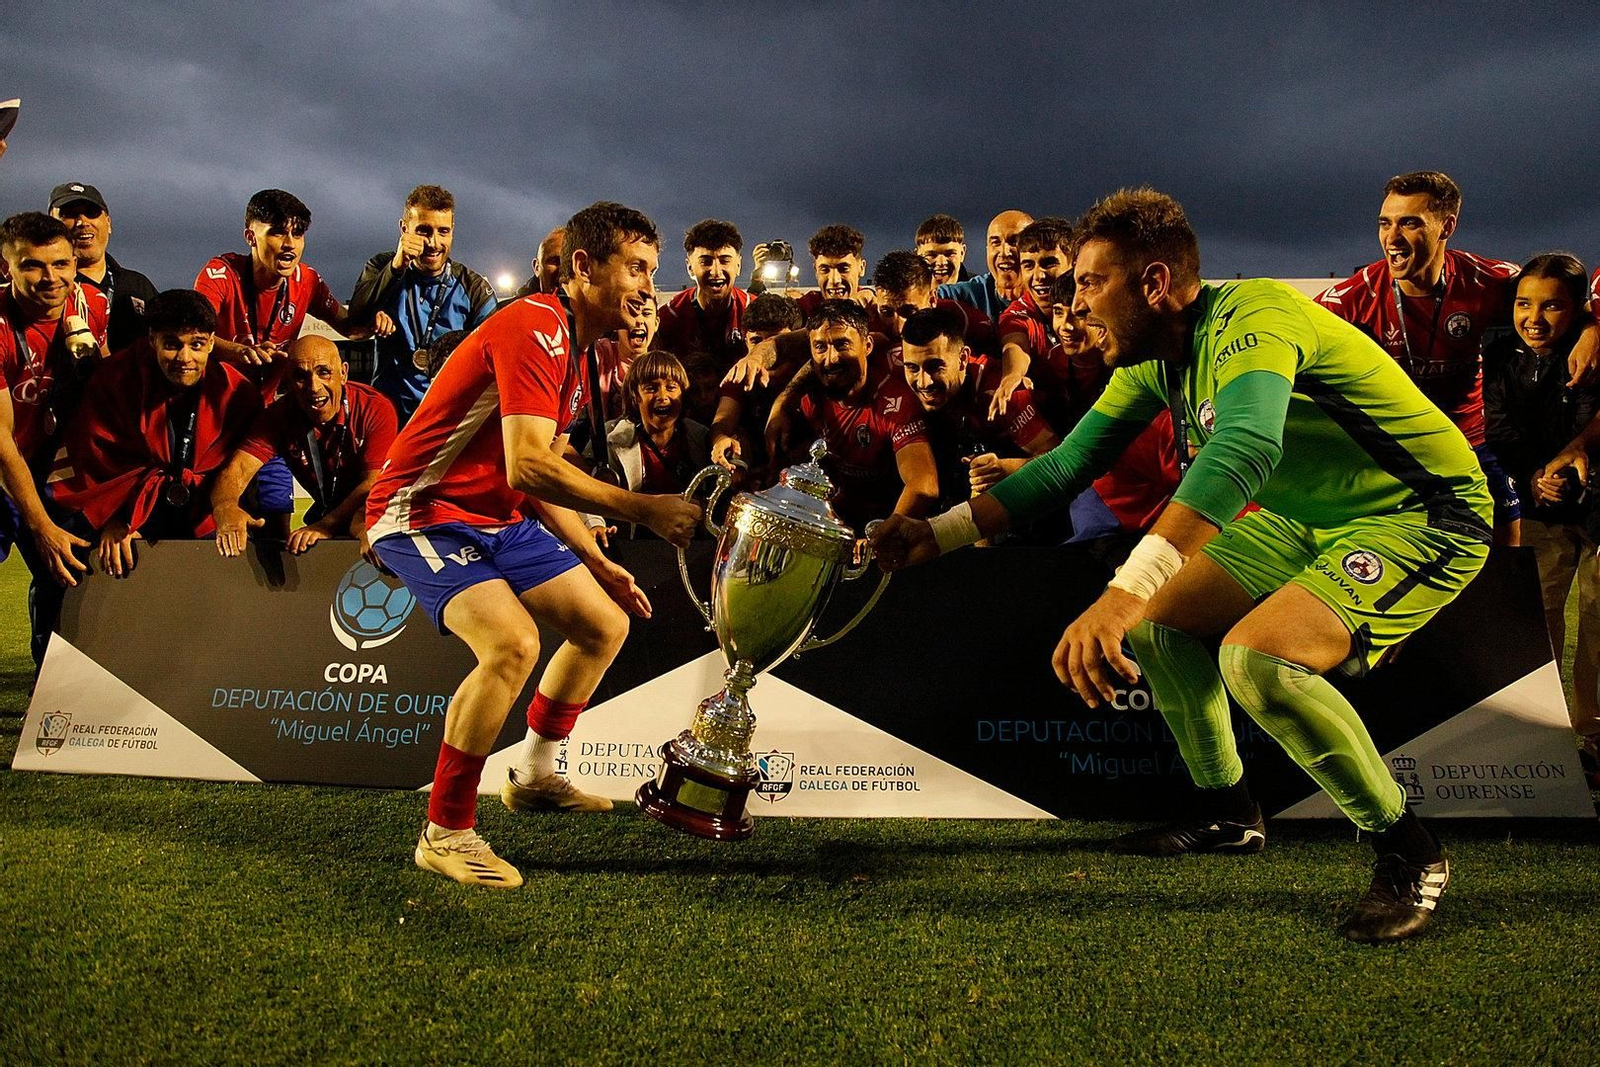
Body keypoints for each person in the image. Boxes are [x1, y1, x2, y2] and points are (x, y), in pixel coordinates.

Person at [872, 188, 1492, 943]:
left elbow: (1246, 450)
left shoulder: (1256, 318)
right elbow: (1066, 464)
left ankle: (1409, 851)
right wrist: (933, 535)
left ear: (1155, 283)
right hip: (1310, 518)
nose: (1076, 303)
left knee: (1255, 659)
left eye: (1092, 283)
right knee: (1164, 623)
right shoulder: (1151, 360)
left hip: (1425, 513)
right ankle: (1228, 811)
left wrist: (1119, 593)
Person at [364, 201, 702, 889]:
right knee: (512, 644)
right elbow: (530, 466)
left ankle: (536, 773)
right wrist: (645, 508)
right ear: (583, 267)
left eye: (652, 271)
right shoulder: (536, 326)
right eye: (636, 268)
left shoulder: (578, 351)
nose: (646, 285)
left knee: (601, 621)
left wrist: (598, 561)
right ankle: (447, 829)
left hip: (495, 513)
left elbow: (534, 477)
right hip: (422, 511)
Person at [1317, 171, 1599, 546]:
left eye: (1410, 223)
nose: (1392, 238)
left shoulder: (1492, 281)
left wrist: (1592, 328)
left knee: (1505, 566)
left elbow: (1551, 300)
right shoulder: (1351, 299)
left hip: (1469, 443)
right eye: (1385, 223)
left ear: (1447, 225)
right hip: (1394, 446)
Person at [50, 289, 259, 578]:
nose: (184, 358)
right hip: (129, 509)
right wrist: (114, 519)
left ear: (212, 343)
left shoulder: (236, 393)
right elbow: (93, 459)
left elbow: (246, 464)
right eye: (171, 344)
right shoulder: (115, 381)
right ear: (152, 340)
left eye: (197, 345)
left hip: (204, 511)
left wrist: (228, 507)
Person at [193, 189, 362, 541]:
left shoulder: (307, 281)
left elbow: (349, 326)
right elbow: (195, 334)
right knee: (211, 530)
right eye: (276, 232)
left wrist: (378, 315)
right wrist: (237, 352)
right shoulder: (220, 272)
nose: (289, 244)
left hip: (265, 425)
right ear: (250, 236)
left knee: (277, 534)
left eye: (297, 234)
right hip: (214, 426)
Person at [1484, 254, 1600, 758]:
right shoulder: (1498, 352)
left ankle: (1592, 738)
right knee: (1539, 625)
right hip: (1538, 508)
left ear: (1578, 308)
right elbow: (1498, 426)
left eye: (1552, 305)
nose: (1534, 317)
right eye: (1524, 302)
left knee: (1597, 626)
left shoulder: (1593, 348)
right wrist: (1534, 478)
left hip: (1597, 508)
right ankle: (1543, 738)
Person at [0, 212, 109, 671]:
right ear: (7, 268)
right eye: (33, 266)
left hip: (52, 463)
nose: (51, 278)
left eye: (61, 265)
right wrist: (40, 525)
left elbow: (108, 395)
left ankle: (48, 693)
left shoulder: (92, 305)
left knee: (66, 573)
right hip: (5, 461)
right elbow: (1, 443)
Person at [210, 336, 398, 562]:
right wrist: (225, 507)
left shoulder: (375, 408)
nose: (314, 387)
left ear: (344, 373)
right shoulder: (278, 415)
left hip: (373, 513)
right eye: (300, 376)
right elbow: (237, 469)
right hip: (325, 516)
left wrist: (326, 525)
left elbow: (373, 485)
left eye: (324, 372)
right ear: (288, 380)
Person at [763, 299, 938, 532]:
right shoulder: (809, 396)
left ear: (867, 346)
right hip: (833, 520)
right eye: (820, 347)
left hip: (881, 522)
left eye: (842, 344)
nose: (831, 358)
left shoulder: (895, 402)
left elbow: (923, 486)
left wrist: (882, 535)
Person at [348, 185, 497, 424]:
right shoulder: (382, 267)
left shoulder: (475, 288)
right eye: (424, 231)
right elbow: (354, 320)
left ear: (452, 231)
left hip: (446, 419)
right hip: (388, 415)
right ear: (404, 229)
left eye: (443, 231)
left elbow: (494, 362)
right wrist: (396, 267)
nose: (434, 242)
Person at [896, 306, 1057, 511]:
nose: (923, 381)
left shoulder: (1002, 394)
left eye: (935, 366)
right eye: (912, 368)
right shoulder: (894, 370)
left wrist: (1006, 469)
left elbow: (1058, 460)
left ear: (963, 358)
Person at [585, 350, 712, 543]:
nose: (663, 396)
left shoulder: (701, 437)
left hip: (689, 545)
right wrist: (594, 524)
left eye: (671, 387)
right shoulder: (607, 437)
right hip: (634, 549)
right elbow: (584, 487)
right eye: (651, 388)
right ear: (635, 395)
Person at [48, 182, 159, 355]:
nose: (82, 222)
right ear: (49, 225)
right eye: (69, 214)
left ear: (108, 223)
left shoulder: (137, 285)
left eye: (91, 213)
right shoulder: (44, 288)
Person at [994, 218, 1075, 417]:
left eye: (1049, 263)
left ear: (1073, 262)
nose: (1039, 276)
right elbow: (1014, 345)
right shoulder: (1016, 314)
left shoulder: (1095, 305)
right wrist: (1012, 374)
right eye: (1028, 265)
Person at [654, 219, 750, 372]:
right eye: (706, 262)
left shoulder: (752, 309)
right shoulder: (669, 317)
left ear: (738, 265)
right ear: (690, 267)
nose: (716, 271)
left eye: (725, 261)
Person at [938, 209, 1033, 321]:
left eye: (1014, 242)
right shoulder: (968, 295)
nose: (1004, 252)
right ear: (987, 249)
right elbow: (924, 298)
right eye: (996, 243)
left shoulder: (1049, 297)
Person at [508, 226, 565, 302]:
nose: (564, 269)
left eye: (570, 262)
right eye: (555, 261)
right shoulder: (510, 311)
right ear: (537, 267)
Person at [915, 213, 968, 287]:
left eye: (949, 254)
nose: (941, 262)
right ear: (917, 256)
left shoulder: (980, 294)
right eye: (931, 255)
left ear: (962, 253)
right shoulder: (902, 292)